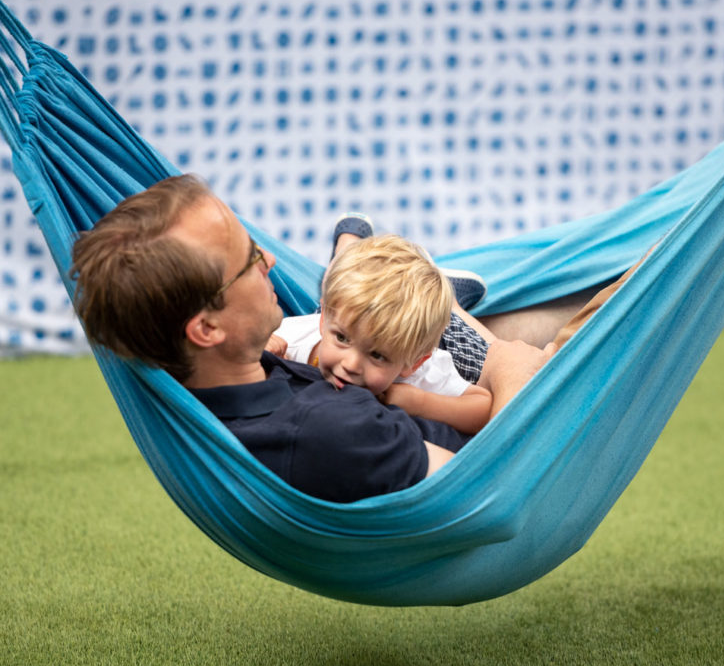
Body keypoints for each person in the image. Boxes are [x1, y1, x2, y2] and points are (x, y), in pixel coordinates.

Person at [69, 174, 569, 502]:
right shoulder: (337, 432)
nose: (270, 259)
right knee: (619, 294)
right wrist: (508, 366)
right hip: (512, 409)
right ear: (206, 328)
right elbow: (496, 492)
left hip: (427, 355)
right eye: (248, 259)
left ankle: (441, 299)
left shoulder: (235, 372)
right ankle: (449, 305)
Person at [269, 234, 493, 434]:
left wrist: (422, 403)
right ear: (323, 321)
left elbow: (482, 407)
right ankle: (350, 242)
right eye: (342, 339)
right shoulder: (293, 340)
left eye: (377, 355)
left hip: (448, 341)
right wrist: (271, 355)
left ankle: (452, 301)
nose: (351, 365)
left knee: (478, 349)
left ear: (413, 364)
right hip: (357, 317)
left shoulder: (421, 373)